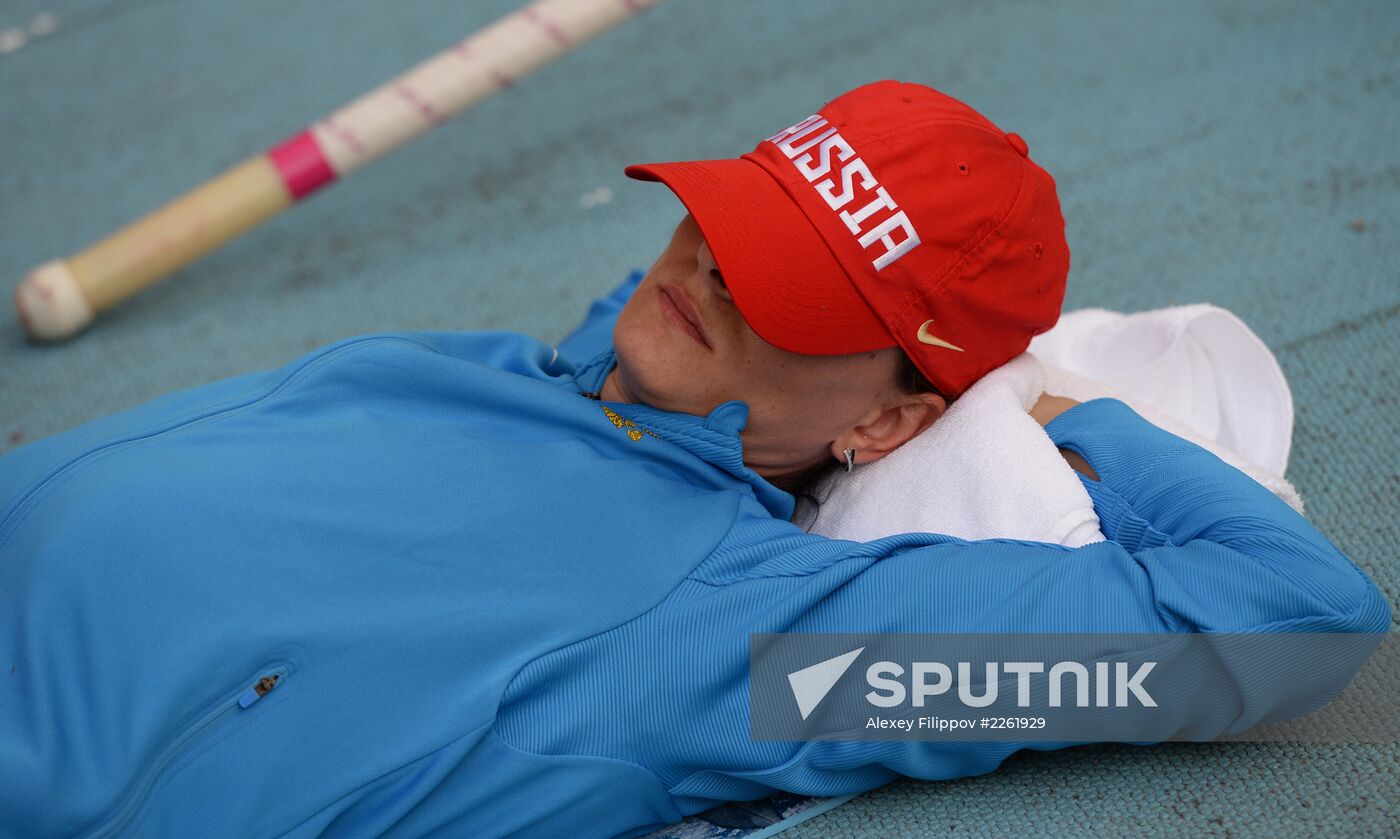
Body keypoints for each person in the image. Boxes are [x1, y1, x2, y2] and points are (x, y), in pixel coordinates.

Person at [0, 81, 1386, 838]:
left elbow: (1295, 624)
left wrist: (1053, 411)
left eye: (795, 291)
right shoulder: (537, 369)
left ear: (893, 426)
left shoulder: (773, 647)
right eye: (735, 219)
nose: (711, 271)